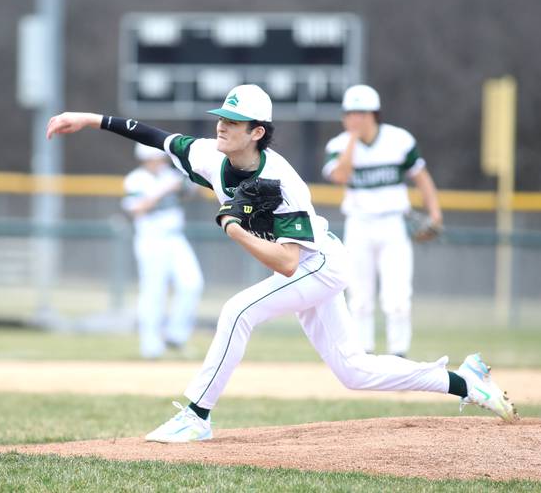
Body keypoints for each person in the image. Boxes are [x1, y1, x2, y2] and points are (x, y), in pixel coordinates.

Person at [46, 84, 516, 443]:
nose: (222, 126)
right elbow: (151, 135)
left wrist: (233, 227)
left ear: (258, 131)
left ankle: (196, 417)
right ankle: (464, 381)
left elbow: (289, 263)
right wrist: (85, 118)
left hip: (319, 263)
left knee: (237, 311)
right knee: (354, 372)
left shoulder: (283, 180)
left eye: (235, 121)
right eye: (222, 117)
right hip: (311, 265)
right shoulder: (210, 155)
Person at [322, 84, 443, 358]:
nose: (354, 118)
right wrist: (352, 140)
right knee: (360, 298)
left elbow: (421, 177)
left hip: (393, 225)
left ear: (374, 114)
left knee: (398, 298)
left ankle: (398, 354)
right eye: (350, 113)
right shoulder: (338, 145)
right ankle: (363, 355)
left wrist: (435, 213)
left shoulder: (399, 140)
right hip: (359, 224)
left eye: (361, 113)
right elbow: (340, 175)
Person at [122, 143, 204, 359]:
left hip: (176, 237)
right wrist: (163, 190)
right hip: (151, 239)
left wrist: (187, 181)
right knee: (153, 292)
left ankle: (176, 335)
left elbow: (192, 191)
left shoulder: (171, 175)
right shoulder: (136, 179)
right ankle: (150, 345)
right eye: (155, 158)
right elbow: (136, 209)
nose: (159, 162)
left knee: (192, 283)